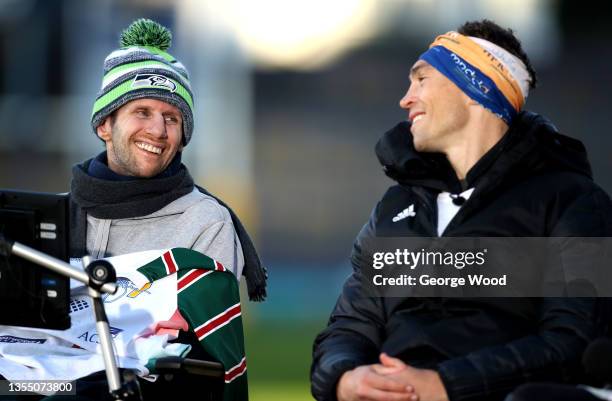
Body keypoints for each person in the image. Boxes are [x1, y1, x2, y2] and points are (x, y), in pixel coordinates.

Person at [311, 19, 612, 401]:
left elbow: (573, 343)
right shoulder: (393, 210)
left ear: (476, 87)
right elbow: (349, 329)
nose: (406, 98)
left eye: (421, 80)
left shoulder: (573, 202)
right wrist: (346, 378)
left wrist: (445, 385)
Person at [69, 18, 267, 300]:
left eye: (171, 118)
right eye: (142, 112)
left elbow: (201, 339)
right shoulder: (58, 217)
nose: (158, 130)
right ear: (104, 125)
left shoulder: (206, 223)